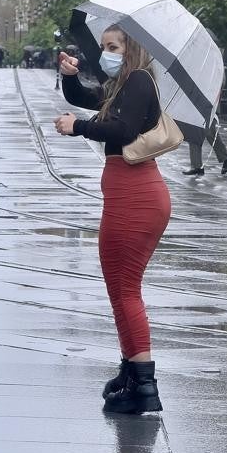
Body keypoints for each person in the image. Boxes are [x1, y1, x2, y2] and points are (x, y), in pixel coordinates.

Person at [56, 27, 170, 415]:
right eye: (104, 47)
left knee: (126, 290)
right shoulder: (122, 84)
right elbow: (84, 97)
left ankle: (144, 384)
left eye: (113, 47)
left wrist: (79, 127)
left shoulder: (138, 81)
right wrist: (70, 76)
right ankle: (130, 370)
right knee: (119, 288)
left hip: (136, 199)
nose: (106, 53)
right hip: (126, 196)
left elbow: (121, 130)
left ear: (131, 49)